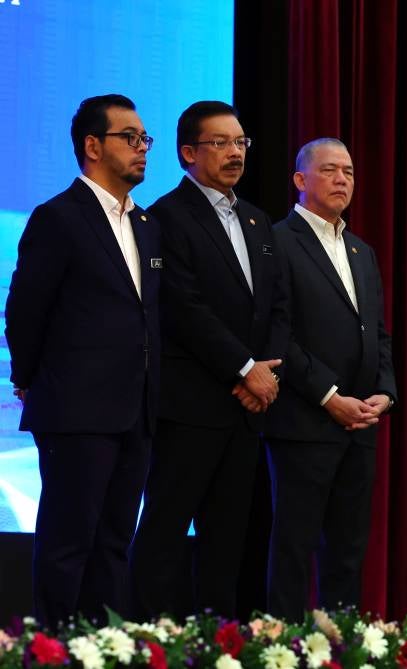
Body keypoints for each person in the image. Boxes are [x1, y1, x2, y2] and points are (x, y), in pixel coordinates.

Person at [130, 100, 289, 619]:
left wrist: (263, 369)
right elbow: (183, 307)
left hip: (247, 412)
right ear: (187, 153)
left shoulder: (258, 220)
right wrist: (245, 369)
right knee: (164, 531)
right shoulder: (165, 218)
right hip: (189, 408)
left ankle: (217, 641)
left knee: (227, 541)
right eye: (220, 143)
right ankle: (146, 639)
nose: (235, 153)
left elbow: (277, 305)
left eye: (240, 142)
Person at [5, 94, 160, 626]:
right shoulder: (58, 218)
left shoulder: (145, 224)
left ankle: (104, 648)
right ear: (93, 146)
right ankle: (51, 649)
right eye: (130, 137)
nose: (143, 149)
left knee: (116, 542)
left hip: (137, 409)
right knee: (68, 541)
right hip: (75, 410)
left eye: (145, 139)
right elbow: (24, 312)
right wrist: (29, 380)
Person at [263, 138, 397, 617]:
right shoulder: (276, 241)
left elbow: (378, 331)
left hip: (360, 423)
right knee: (294, 547)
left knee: (348, 550)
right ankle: (285, 644)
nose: (343, 180)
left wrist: (385, 392)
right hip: (305, 421)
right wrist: (329, 395)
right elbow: (278, 335)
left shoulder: (362, 250)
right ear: (301, 181)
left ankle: (344, 646)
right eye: (330, 170)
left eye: (350, 171)